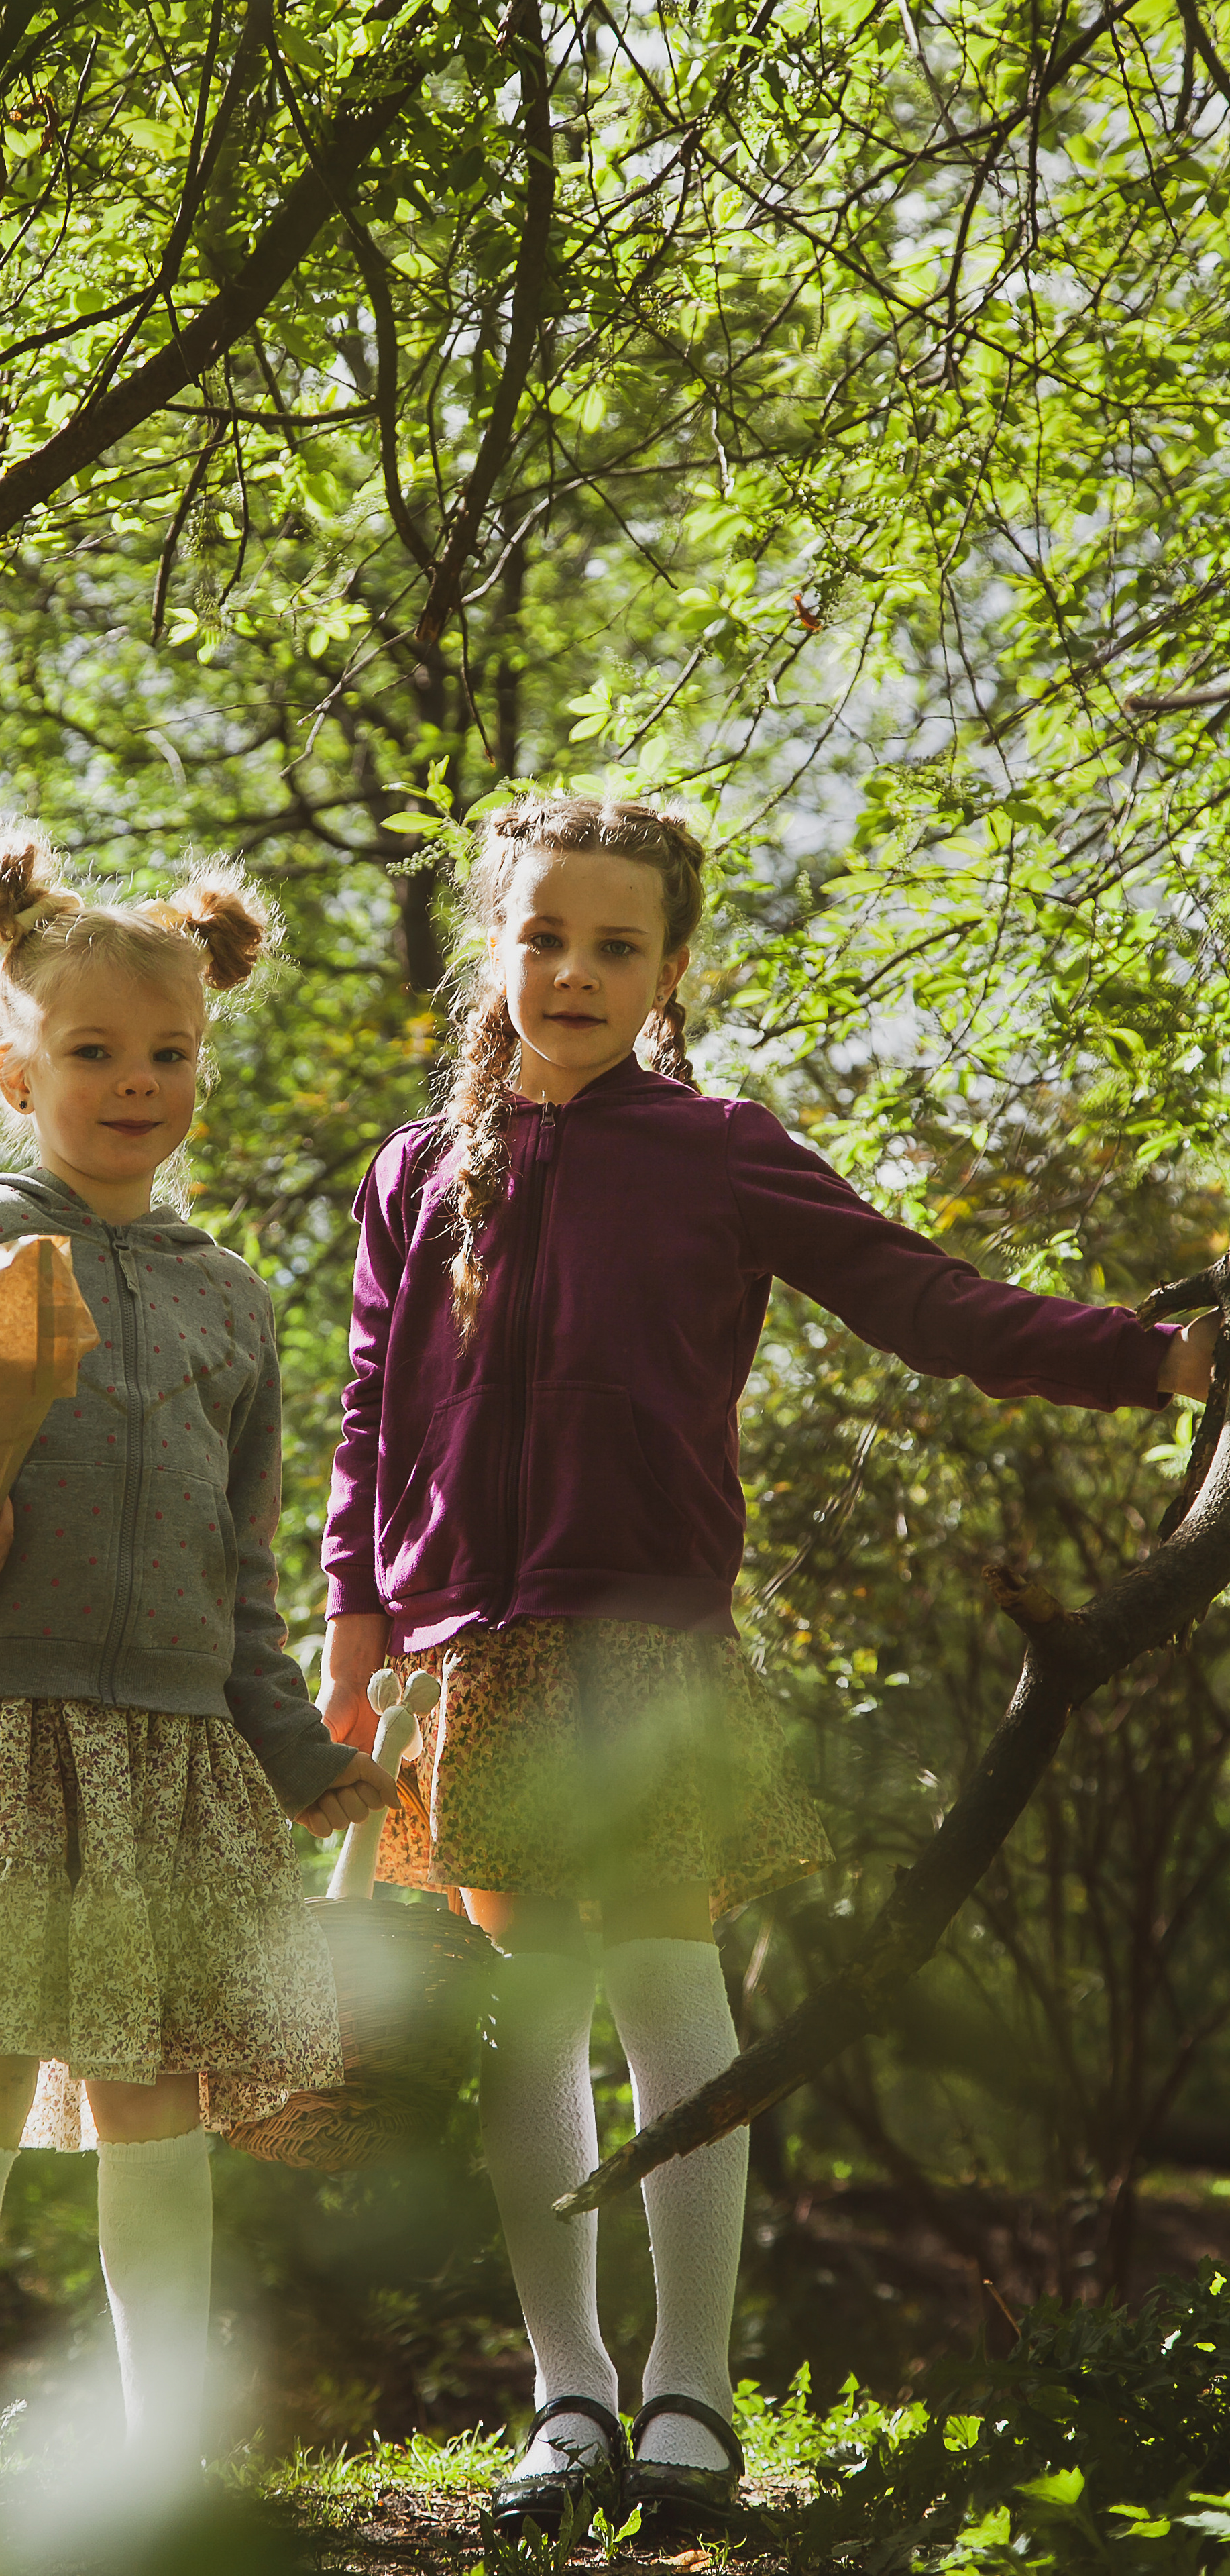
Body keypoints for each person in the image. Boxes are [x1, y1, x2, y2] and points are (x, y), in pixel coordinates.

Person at [317, 794, 1216, 2550]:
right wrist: (353, 1643)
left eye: (618, 945)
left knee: (674, 2012)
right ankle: (566, 2399)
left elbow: (925, 1299)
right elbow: (370, 1418)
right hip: (476, 1662)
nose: (574, 970)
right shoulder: (413, 1174)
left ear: (670, 969)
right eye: (547, 935)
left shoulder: (720, 1149)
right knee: (529, 2029)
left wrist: (1165, 1364)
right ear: (496, 947)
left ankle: (693, 2402)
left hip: (652, 1656)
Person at [0, 826, 394, 2576]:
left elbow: (247, 1562)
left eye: (171, 1053)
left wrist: (294, 1750)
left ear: (205, 1053)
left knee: (158, 2099)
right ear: (12, 1064)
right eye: (93, 1053)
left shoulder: (228, 1300)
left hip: (187, 1751)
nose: (137, 1083)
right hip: (9, 1719)